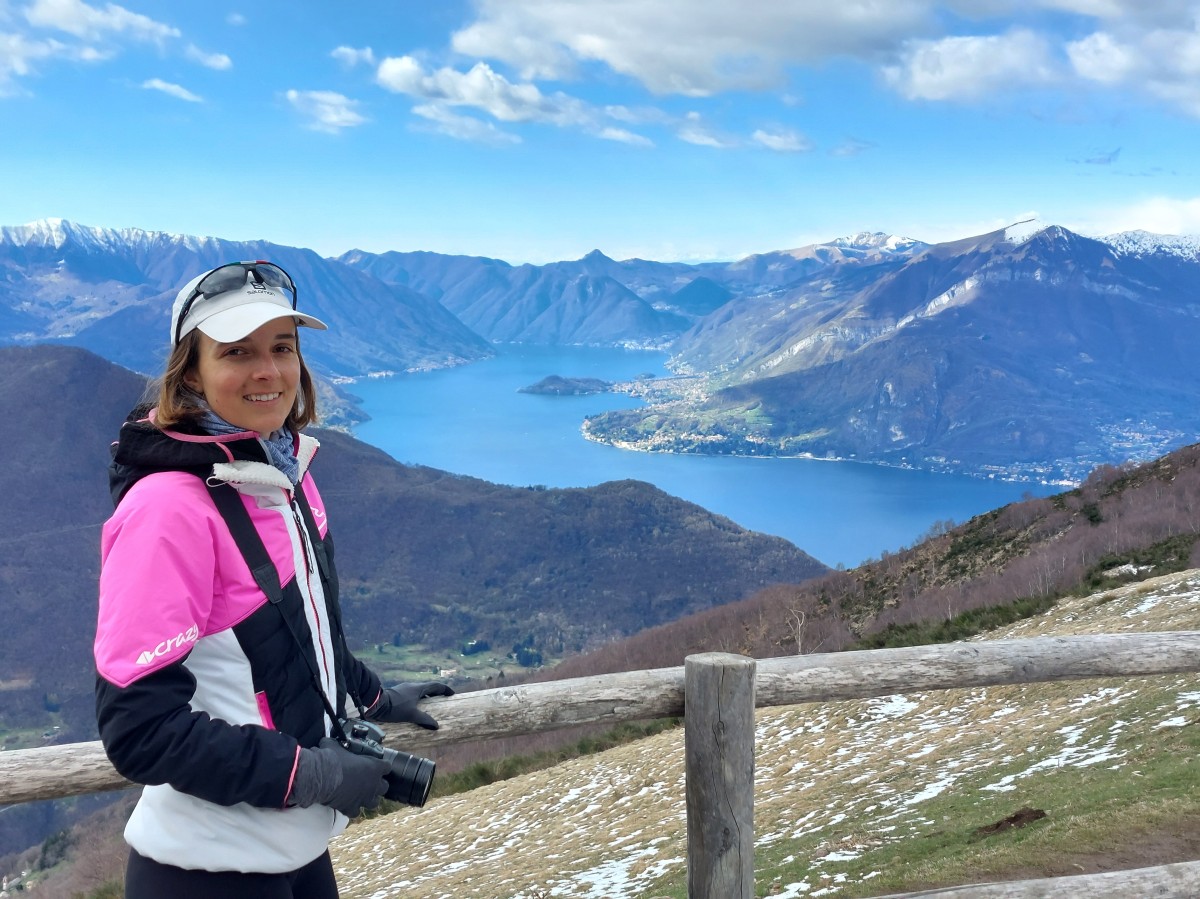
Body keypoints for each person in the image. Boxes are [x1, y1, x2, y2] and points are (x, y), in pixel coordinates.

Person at [93, 261, 454, 898]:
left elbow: (299, 633)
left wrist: (367, 696)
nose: (268, 371)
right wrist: (310, 776)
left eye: (282, 347)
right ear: (190, 371)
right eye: (237, 352)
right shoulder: (167, 510)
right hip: (203, 869)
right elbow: (140, 730)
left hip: (295, 853)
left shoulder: (282, 475)